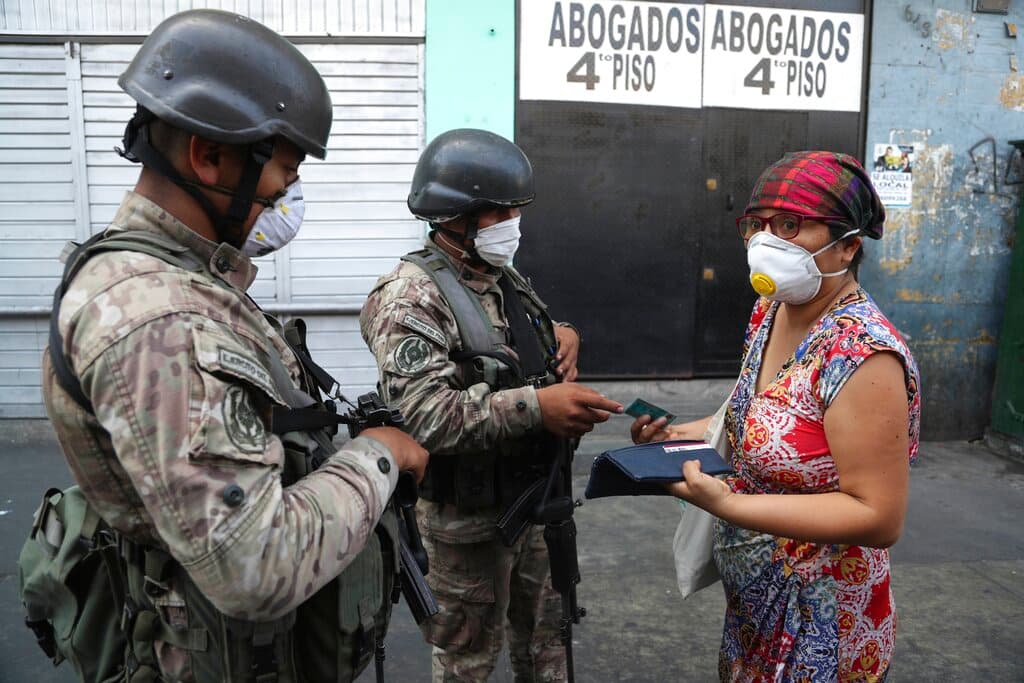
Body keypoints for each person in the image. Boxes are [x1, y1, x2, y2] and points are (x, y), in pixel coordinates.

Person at [38, 9, 427, 681]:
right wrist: (378, 458)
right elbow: (256, 564)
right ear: (209, 156)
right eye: (285, 170)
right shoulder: (156, 321)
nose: (289, 195)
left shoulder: (178, 277)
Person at [632, 151, 921, 682]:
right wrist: (678, 436)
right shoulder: (770, 311)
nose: (766, 242)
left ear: (849, 244)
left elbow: (879, 517)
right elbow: (761, 415)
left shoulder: (863, 355)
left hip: (823, 620)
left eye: (791, 225)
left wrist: (731, 504)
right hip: (755, 603)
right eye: (757, 226)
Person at [360, 128, 623, 682]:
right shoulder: (409, 297)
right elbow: (424, 416)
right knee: (467, 662)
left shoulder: (498, 276)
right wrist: (538, 407)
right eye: (500, 212)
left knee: (546, 645)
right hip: (466, 526)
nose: (512, 224)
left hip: (534, 504)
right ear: (458, 216)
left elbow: (505, 341)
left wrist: (561, 332)